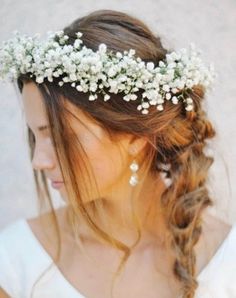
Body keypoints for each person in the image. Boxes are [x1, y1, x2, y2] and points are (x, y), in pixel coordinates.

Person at [0, 9, 235, 298]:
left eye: (60, 138)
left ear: (136, 137)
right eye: (35, 137)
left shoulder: (226, 264)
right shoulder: (16, 264)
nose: (39, 161)